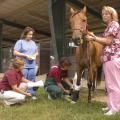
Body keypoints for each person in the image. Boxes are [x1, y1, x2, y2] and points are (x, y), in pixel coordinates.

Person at [86, 6, 120, 116]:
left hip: (112, 58)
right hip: (107, 59)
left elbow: (109, 41)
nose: (104, 15)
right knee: (109, 85)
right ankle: (110, 105)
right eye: (103, 14)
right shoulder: (108, 27)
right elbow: (105, 41)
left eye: (106, 13)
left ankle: (115, 108)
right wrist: (94, 36)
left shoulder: (114, 25)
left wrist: (94, 38)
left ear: (112, 15)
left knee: (114, 85)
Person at [14, 27, 38, 100]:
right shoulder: (20, 42)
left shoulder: (33, 42)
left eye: (32, 34)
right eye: (29, 34)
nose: (31, 36)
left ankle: (31, 94)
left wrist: (34, 55)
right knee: (22, 79)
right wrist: (25, 55)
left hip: (32, 64)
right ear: (25, 34)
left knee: (31, 79)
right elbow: (15, 52)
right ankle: (21, 94)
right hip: (22, 65)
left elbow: (37, 52)